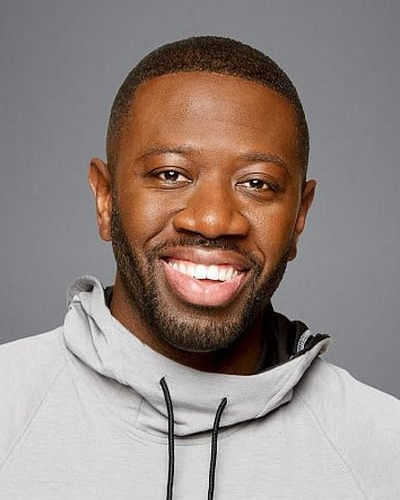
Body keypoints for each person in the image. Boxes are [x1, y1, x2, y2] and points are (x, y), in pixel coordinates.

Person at [0, 36, 399, 499]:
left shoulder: (382, 448)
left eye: (257, 183)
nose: (212, 220)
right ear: (105, 199)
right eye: (171, 174)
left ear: (299, 218)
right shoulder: (9, 408)